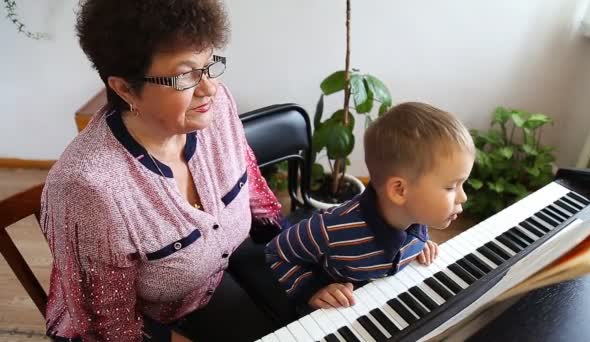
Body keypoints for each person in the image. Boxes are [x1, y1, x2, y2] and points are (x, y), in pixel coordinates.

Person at [40, 1, 293, 341]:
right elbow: (108, 328)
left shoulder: (216, 109)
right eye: (186, 74)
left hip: (214, 283)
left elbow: (255, 196)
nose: (209, 88)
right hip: (151, 324)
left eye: (208, 65)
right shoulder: (88, 189)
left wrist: (300, 261)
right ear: (126, 88)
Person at [265, 102, 475, 310]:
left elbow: (409, 238)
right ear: (400, 190)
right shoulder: (332, 229)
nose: (463, 197)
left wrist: (420, 244)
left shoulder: (417, 215)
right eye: (451, 187)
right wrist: (309, 290)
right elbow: (276, 252)